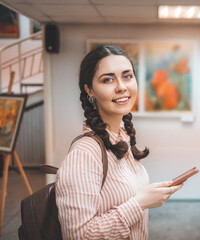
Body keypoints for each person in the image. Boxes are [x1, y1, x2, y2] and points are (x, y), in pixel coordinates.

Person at [55, 45, 183, 239]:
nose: (121, 87)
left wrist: (149, 194)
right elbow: (78, 236)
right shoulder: (84, 154)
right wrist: (140, 203)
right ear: (89, 90)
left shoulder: (122, 137)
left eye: (127, 76)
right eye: (108, 79)